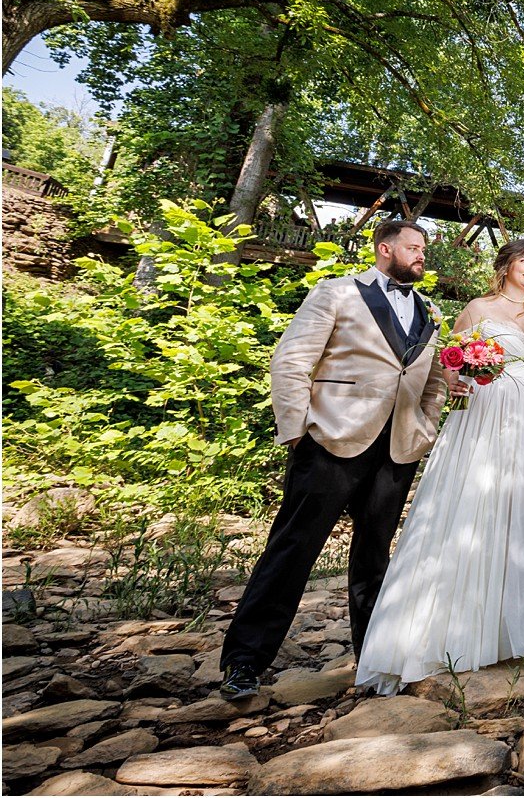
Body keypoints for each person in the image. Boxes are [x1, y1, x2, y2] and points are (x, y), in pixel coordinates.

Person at [355, 239, 524, 694]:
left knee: (519, 521)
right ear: (506, 266)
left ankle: (505, 629)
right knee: (474, 513)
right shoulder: (478, 308)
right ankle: (447, 634)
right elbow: (449, 361)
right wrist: (458, 380)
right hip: (485, 419)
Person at [218, 219, 451, 700]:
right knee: (292, 550)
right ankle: (244, 662)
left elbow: (433, 381)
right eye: (413, 247)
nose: (421, 255)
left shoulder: (430, 311)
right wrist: (298, 432)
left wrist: (425, 426)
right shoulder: (337, 292)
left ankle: (374, 661)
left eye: (423, 249)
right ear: (385, 249)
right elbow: (291, 360)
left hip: (398, 450)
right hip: (329, 442)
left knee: (374, 558)